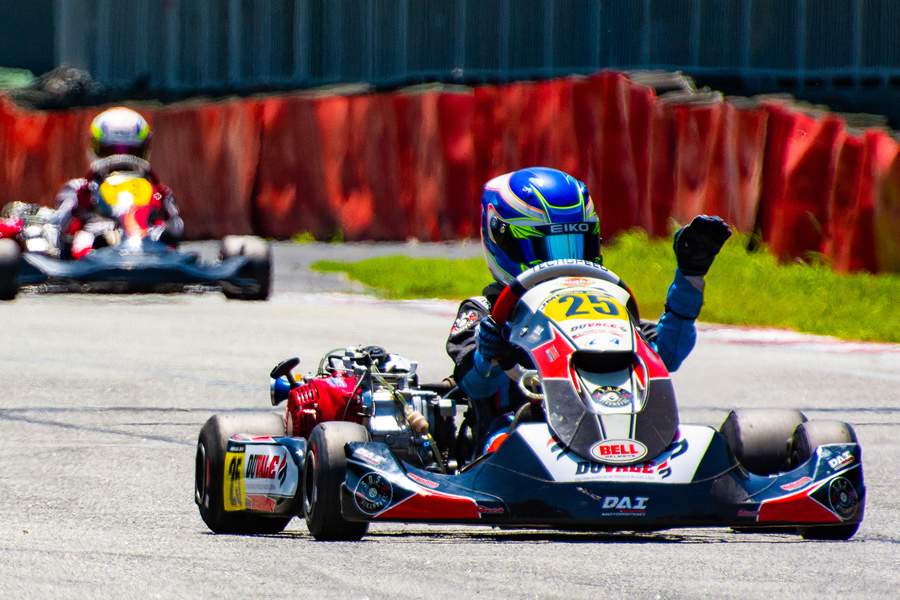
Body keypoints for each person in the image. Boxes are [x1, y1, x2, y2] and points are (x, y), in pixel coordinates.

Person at [446, 166, 731, 451]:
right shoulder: (485, 312)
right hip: (518, 438)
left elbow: (665, 354)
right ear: (503, 240)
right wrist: (489, 355)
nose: (564, 263)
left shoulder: (606, 308)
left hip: (614, 432)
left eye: (577, 246)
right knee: (504, 444)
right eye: (548, 249)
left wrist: (690, 276)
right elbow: (474, 385)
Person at [50, 107, 183, 259]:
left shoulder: (158, 191)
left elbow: (177, 227)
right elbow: (57, 224)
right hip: (95, 244)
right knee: (82, 239)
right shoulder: (80, 188)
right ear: (96, 149)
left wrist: (162, 231)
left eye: (131, 151)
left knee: (164, 236)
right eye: (111, 150)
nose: (121, 157)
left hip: (147, 241)